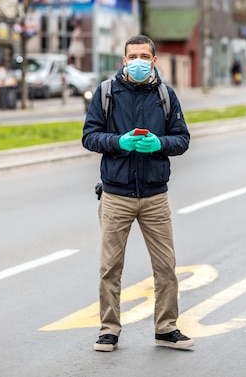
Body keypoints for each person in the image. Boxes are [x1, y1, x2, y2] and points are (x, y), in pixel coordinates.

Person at [82, 34, 193, 352]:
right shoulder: (106, 93)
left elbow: (182, 139)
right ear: (124, 60)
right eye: (133, 56)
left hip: (155, 196)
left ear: (154, 61)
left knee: (166, 267)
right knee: (110, 268)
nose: (139, 62)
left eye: (145, 56)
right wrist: (119, 142)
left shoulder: (165, 95)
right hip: (116, 195)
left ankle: (166, 328)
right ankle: (108, 329)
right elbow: (90, 136)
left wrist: (160, 144)